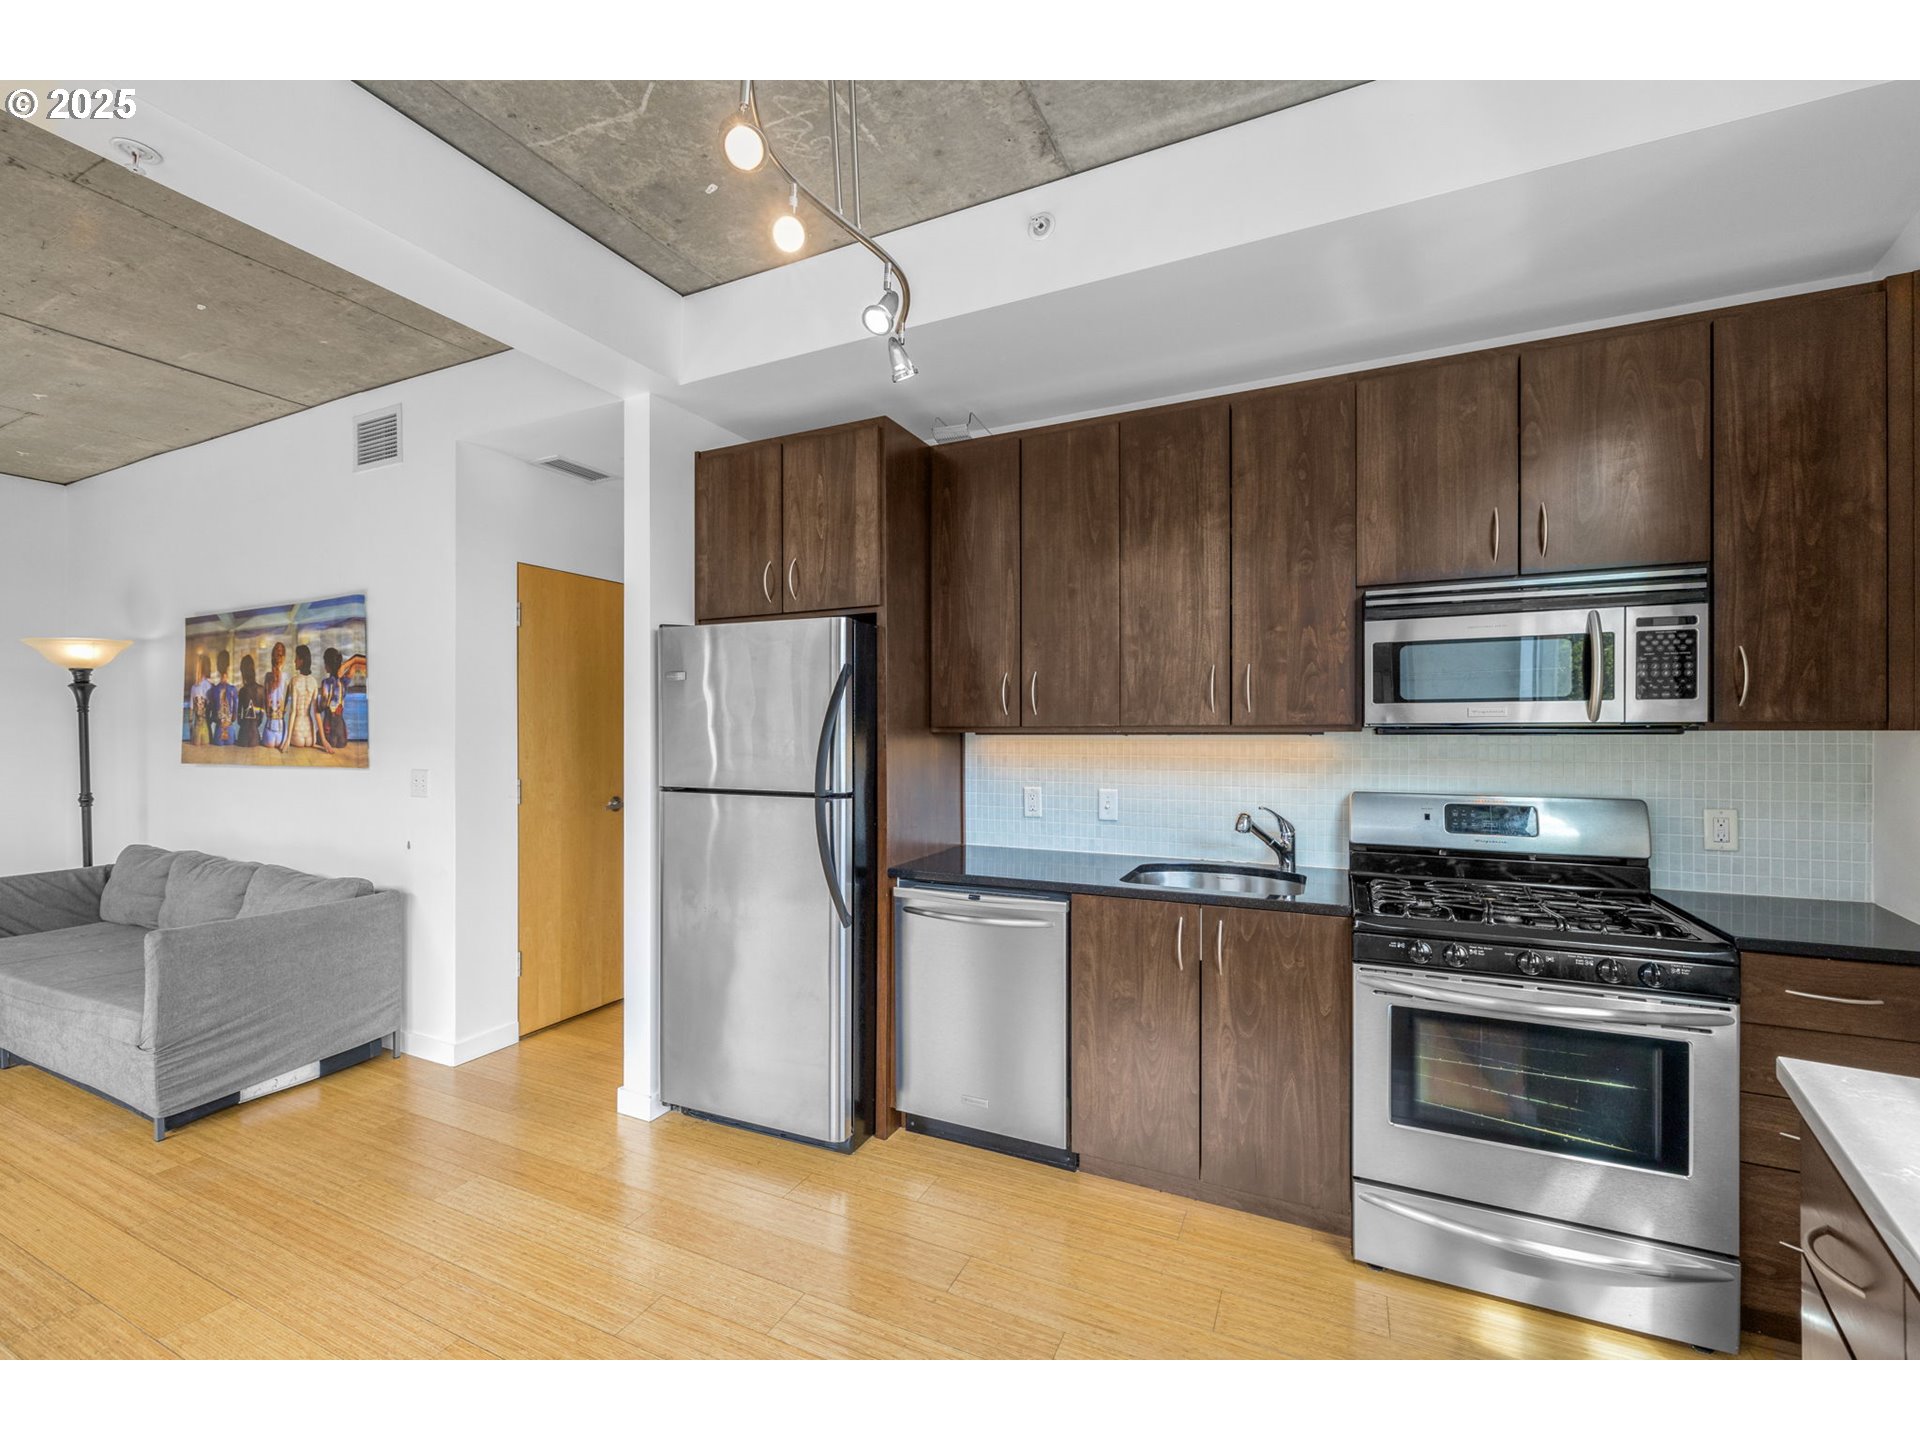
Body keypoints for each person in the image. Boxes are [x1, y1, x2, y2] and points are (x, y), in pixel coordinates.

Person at [283, 643, 321, 750]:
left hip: (297, 734)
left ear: (302, 660)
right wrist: (319, 739)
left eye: (296, 658)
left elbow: (293, 711)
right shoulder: (314, 682)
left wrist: (287, 740)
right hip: (310, 736)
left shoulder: (294, 681)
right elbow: (315, 713)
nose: (294, 661)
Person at [317, 646, 350, 753]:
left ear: (328, 665)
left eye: (325, 662)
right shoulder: (344, 682)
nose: (324, 665)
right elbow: (354, 665)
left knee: (316, 736)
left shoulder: (326, 683)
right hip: (342, 734)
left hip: (328, 729)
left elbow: (322, 706)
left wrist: (315, 703)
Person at [260, 641, 289, 748]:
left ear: (272, 657)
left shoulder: (267, 677)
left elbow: (264, 703)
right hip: (281, 731)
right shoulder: (287, 678)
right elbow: (287, 705)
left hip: (268, 729)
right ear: (284, 658)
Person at [210, 649, 240, 746]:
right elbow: (235, 715)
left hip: (219, 729)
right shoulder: (233, 690)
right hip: (229, 728)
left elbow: (214, 715)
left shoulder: (214, 690)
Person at [237, 653, 263, 747]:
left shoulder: (242, 691)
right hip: (255, 736)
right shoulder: (261, 690)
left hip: (243, 736)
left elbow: (239, 719)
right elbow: (260, 719)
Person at [187, 653, 213, 746]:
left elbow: (191, 709)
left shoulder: (194, 687)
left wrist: (190, 723)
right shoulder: (209, 686)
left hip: (196, 728)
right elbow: (212, 707)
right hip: (207, 727)